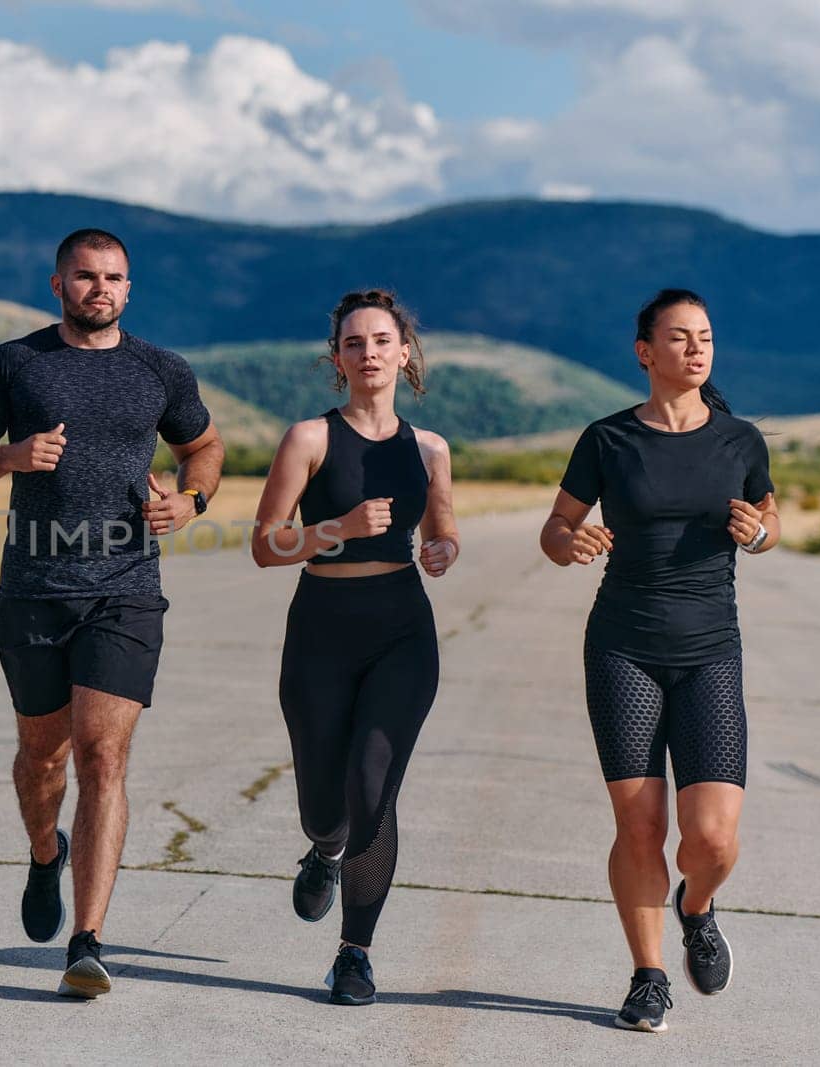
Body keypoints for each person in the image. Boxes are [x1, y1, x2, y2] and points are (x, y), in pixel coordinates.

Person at [0, 228, 224, 998]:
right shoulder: (15, 362)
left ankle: (87, 940)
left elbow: (205, 445)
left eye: (115, 278)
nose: (102, 288)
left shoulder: (161, 369)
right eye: (87, 276)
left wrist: (191, 500)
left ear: (130, 289)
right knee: (43, 759)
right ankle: (43, 851)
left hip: (125, 588)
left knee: (102, 754)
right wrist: (7, 456)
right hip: (33, 586)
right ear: (58, 284)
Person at [540, 288, 779, 1033]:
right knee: (640, 825)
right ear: (645, 351)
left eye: (704, 336)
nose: (696, 349)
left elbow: (771, 515)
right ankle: (648, 976)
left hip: (710, 649)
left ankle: (696, 905)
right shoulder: (608, 440)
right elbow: (557, 525)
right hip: (623, 647)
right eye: (679, 337)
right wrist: (567, 542)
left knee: (710, 836)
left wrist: (760, 532)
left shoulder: (740, 439)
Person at [251, 288, 459, 1006]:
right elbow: (265, 544)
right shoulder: (309, 438)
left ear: (404, 353)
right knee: (324, 804)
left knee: (375, 786)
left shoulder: (430, 449)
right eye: (353, 343)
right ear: (338, 359)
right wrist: (333, 527)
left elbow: (442, 529)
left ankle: (355, 953)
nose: (367, 353)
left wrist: (441, 549)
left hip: (402, 626)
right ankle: (325, 848)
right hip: (322, 626)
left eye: (380, 341)